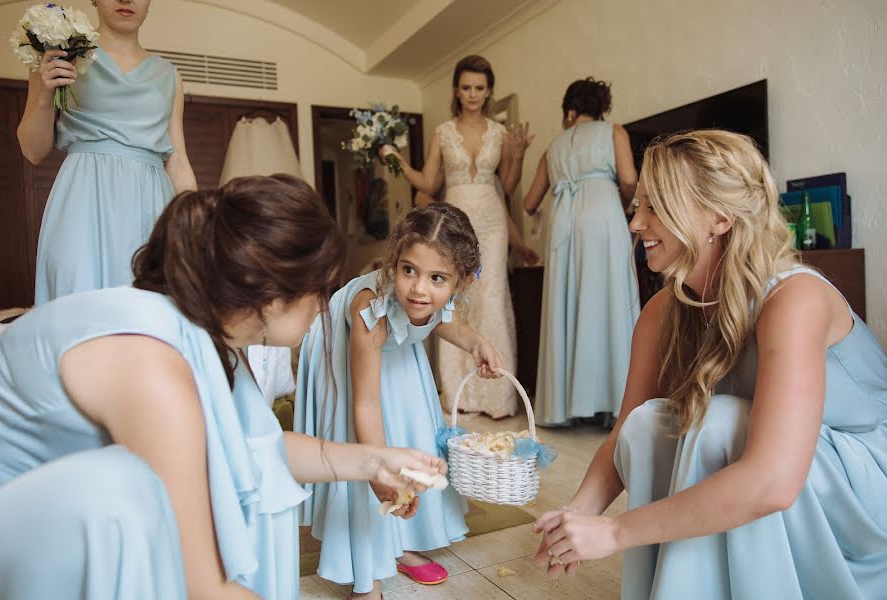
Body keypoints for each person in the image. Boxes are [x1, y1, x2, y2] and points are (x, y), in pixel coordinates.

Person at [0, 175, 445, 600]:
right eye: (321, 291)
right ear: (273, 296)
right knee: (125, 490)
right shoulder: (153, 370)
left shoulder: (207, 331)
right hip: (14, 542)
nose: (326, 307)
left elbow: (255, 450)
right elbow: (202, 586)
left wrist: (374, 461)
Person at [532, 131, 887, 599]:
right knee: (648, 425)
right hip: (794, 475)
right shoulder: (662, 312)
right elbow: (622, 437)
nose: (636, 223)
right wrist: (574, 520)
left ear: (718, 217)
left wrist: (616, 532)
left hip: (863, 488)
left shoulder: (794, 298)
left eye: (655, 206)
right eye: (637, 205)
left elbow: (773, 481)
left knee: (719, 424)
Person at [295, 203, 504, 599]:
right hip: (344, 350)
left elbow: (448, 321)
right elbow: (366, 406)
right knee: (368, 448)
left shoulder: (430, 299)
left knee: (409, 431)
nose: (419, 288)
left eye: (437, 278)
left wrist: (476, 342)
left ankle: (400, 542)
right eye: (409, 270)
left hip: (395, 349)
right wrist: (376, 472)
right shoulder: (368, 311)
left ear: (459, 283)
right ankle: (366, 577)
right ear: (394, 264)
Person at [380, 54, 534, 418]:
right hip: (454, 221)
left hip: (493, 220)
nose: (473, 94)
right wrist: (395, 158)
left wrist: (519, 155)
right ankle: (459, 395)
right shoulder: (443, 132)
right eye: (466, 87)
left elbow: (507, 186)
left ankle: (497, 397)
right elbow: (428, 183)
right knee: (452, 295)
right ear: (456, 90)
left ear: (489, 91)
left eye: (479, 88)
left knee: (491, 297)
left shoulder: (500, 132)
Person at [18, 0, 196, 304]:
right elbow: (33, 151)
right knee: (79, 302)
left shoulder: (169, 74)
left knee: (150, 308)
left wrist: (196, 225)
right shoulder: (62, 53)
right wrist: (45, 96)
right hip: (83, 199)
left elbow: (177, 159)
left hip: (152, 203)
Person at [522, 77, 640, 428]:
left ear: (570, 111)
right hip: (602, 215)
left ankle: (564, 406)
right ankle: (616, 403)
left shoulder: (554, 145)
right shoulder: (614, 131)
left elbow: (529, 203)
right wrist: (619, 204)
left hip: (563, 222)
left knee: (566, 305)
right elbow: (630, 179)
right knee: (611, 302)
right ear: (601, 108)